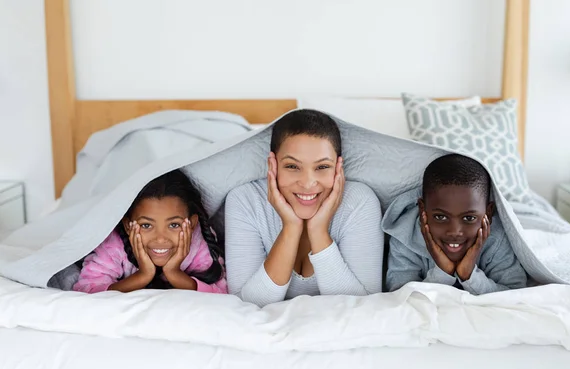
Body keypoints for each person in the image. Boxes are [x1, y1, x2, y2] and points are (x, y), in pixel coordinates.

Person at [225, 109, 383, 307]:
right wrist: (291, 228)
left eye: (322, 167)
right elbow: (244, 305)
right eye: (292, 166)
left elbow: (363, 307)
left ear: (338, 168)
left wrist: (318, 230)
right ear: (272, 165)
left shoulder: (359, 202)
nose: (308, 183)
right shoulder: (245, 201)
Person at [383, 154, 526, 295]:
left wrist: (469, 276)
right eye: (441, 217)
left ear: (488, 213)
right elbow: (400, 296)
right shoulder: (405, 237)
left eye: (469, 218)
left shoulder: (497, 238)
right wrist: (443, 272)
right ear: (422, 210)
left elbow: (516, 293)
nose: (454, 232)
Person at [73, 169, 227, 294]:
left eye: (174, 225)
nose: (160, 239)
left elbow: (222, 294)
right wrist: (143, 276)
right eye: (146, 225)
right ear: (128, 225)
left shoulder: (198, 242)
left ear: (192, 224)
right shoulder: (114, 244)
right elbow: (86, 290)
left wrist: (174, 273)